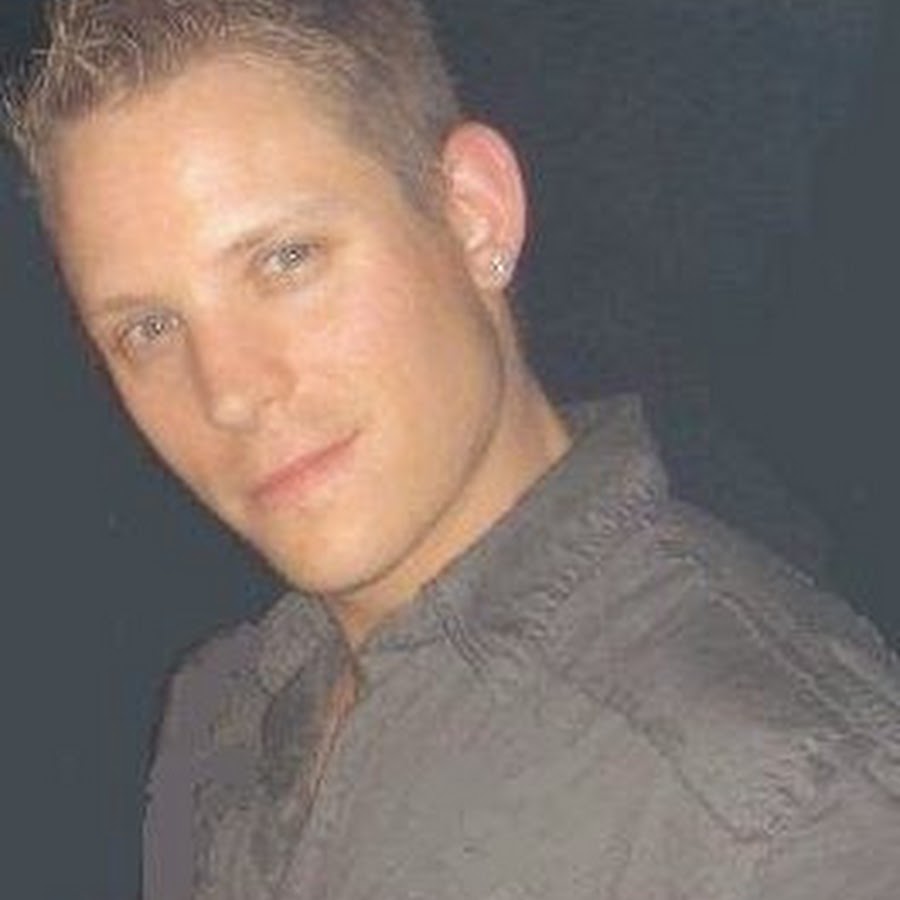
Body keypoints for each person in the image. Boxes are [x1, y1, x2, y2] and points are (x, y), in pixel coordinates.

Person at [5, 1, 899, 897]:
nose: (230, 392)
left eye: (286, 259)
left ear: (474, 215)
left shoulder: (785, 810)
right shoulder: (221, 715)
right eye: (149, 327)